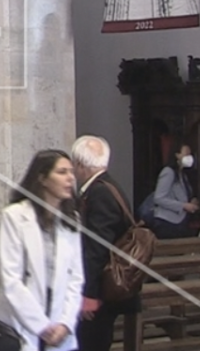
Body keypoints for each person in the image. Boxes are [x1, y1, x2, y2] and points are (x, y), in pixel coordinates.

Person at [0, 149, 84, 351]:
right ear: (42, 178)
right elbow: (10, 280)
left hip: (60, 322)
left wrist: (66, 323)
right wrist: (42, 327)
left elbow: (76, 278)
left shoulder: (71, 220)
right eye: (62, 172)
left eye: (71, 172)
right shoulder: (15, 216)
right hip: (22, 322)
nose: (70, 178)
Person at [71, 135, 140, 351]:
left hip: (102, 289)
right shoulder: (109, 186)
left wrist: (88, 295)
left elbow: (96, 249)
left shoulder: (100, 192)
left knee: (92, 343)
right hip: (104, 287)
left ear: (80, 165)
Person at [152, 140, 199, 239]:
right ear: (177, 155)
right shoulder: (168, 172)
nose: (189, 157)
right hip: (167, 221)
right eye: (186, 154)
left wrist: (191, 201)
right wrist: (183, 206)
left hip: (179, 220)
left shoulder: (182, 174)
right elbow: (159, 198)